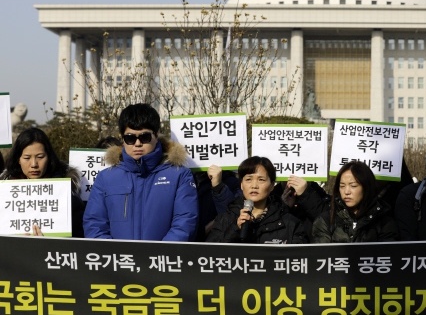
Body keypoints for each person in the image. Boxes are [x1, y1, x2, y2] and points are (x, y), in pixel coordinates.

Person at [83, 103, 198, 241]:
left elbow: (184, 222)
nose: (137, 143)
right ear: (123, 139)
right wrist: (113, 257)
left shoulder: (179, 175)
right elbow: (94, 223)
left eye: (144, 137)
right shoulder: (106, 177)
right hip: (119, 260)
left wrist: (159, 255)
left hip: (163, 260)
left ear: (156, 135)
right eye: (130, 138)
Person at [0, 127, 84, 237]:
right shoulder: (4, 195)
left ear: (49, 157)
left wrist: (48, 242)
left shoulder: (67, 196)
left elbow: (78, 239)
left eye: (40, 157)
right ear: (18, 160)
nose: (34, 164)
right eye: (27, 158)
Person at [206, 156, 308, 244]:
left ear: (272, 185)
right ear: (241, 185)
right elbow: (209, 256)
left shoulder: (289, 222)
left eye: (261, 180)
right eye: (248, 179)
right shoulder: (225, 219)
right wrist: (235, 229)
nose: (254, 186)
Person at [311, 160, 398, 243]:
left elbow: (386, 254)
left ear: (366, 187)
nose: (346, 192)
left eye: (353, 186)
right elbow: (323, 254)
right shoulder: (326, 220)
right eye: (342, 186)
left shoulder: (384, 222)